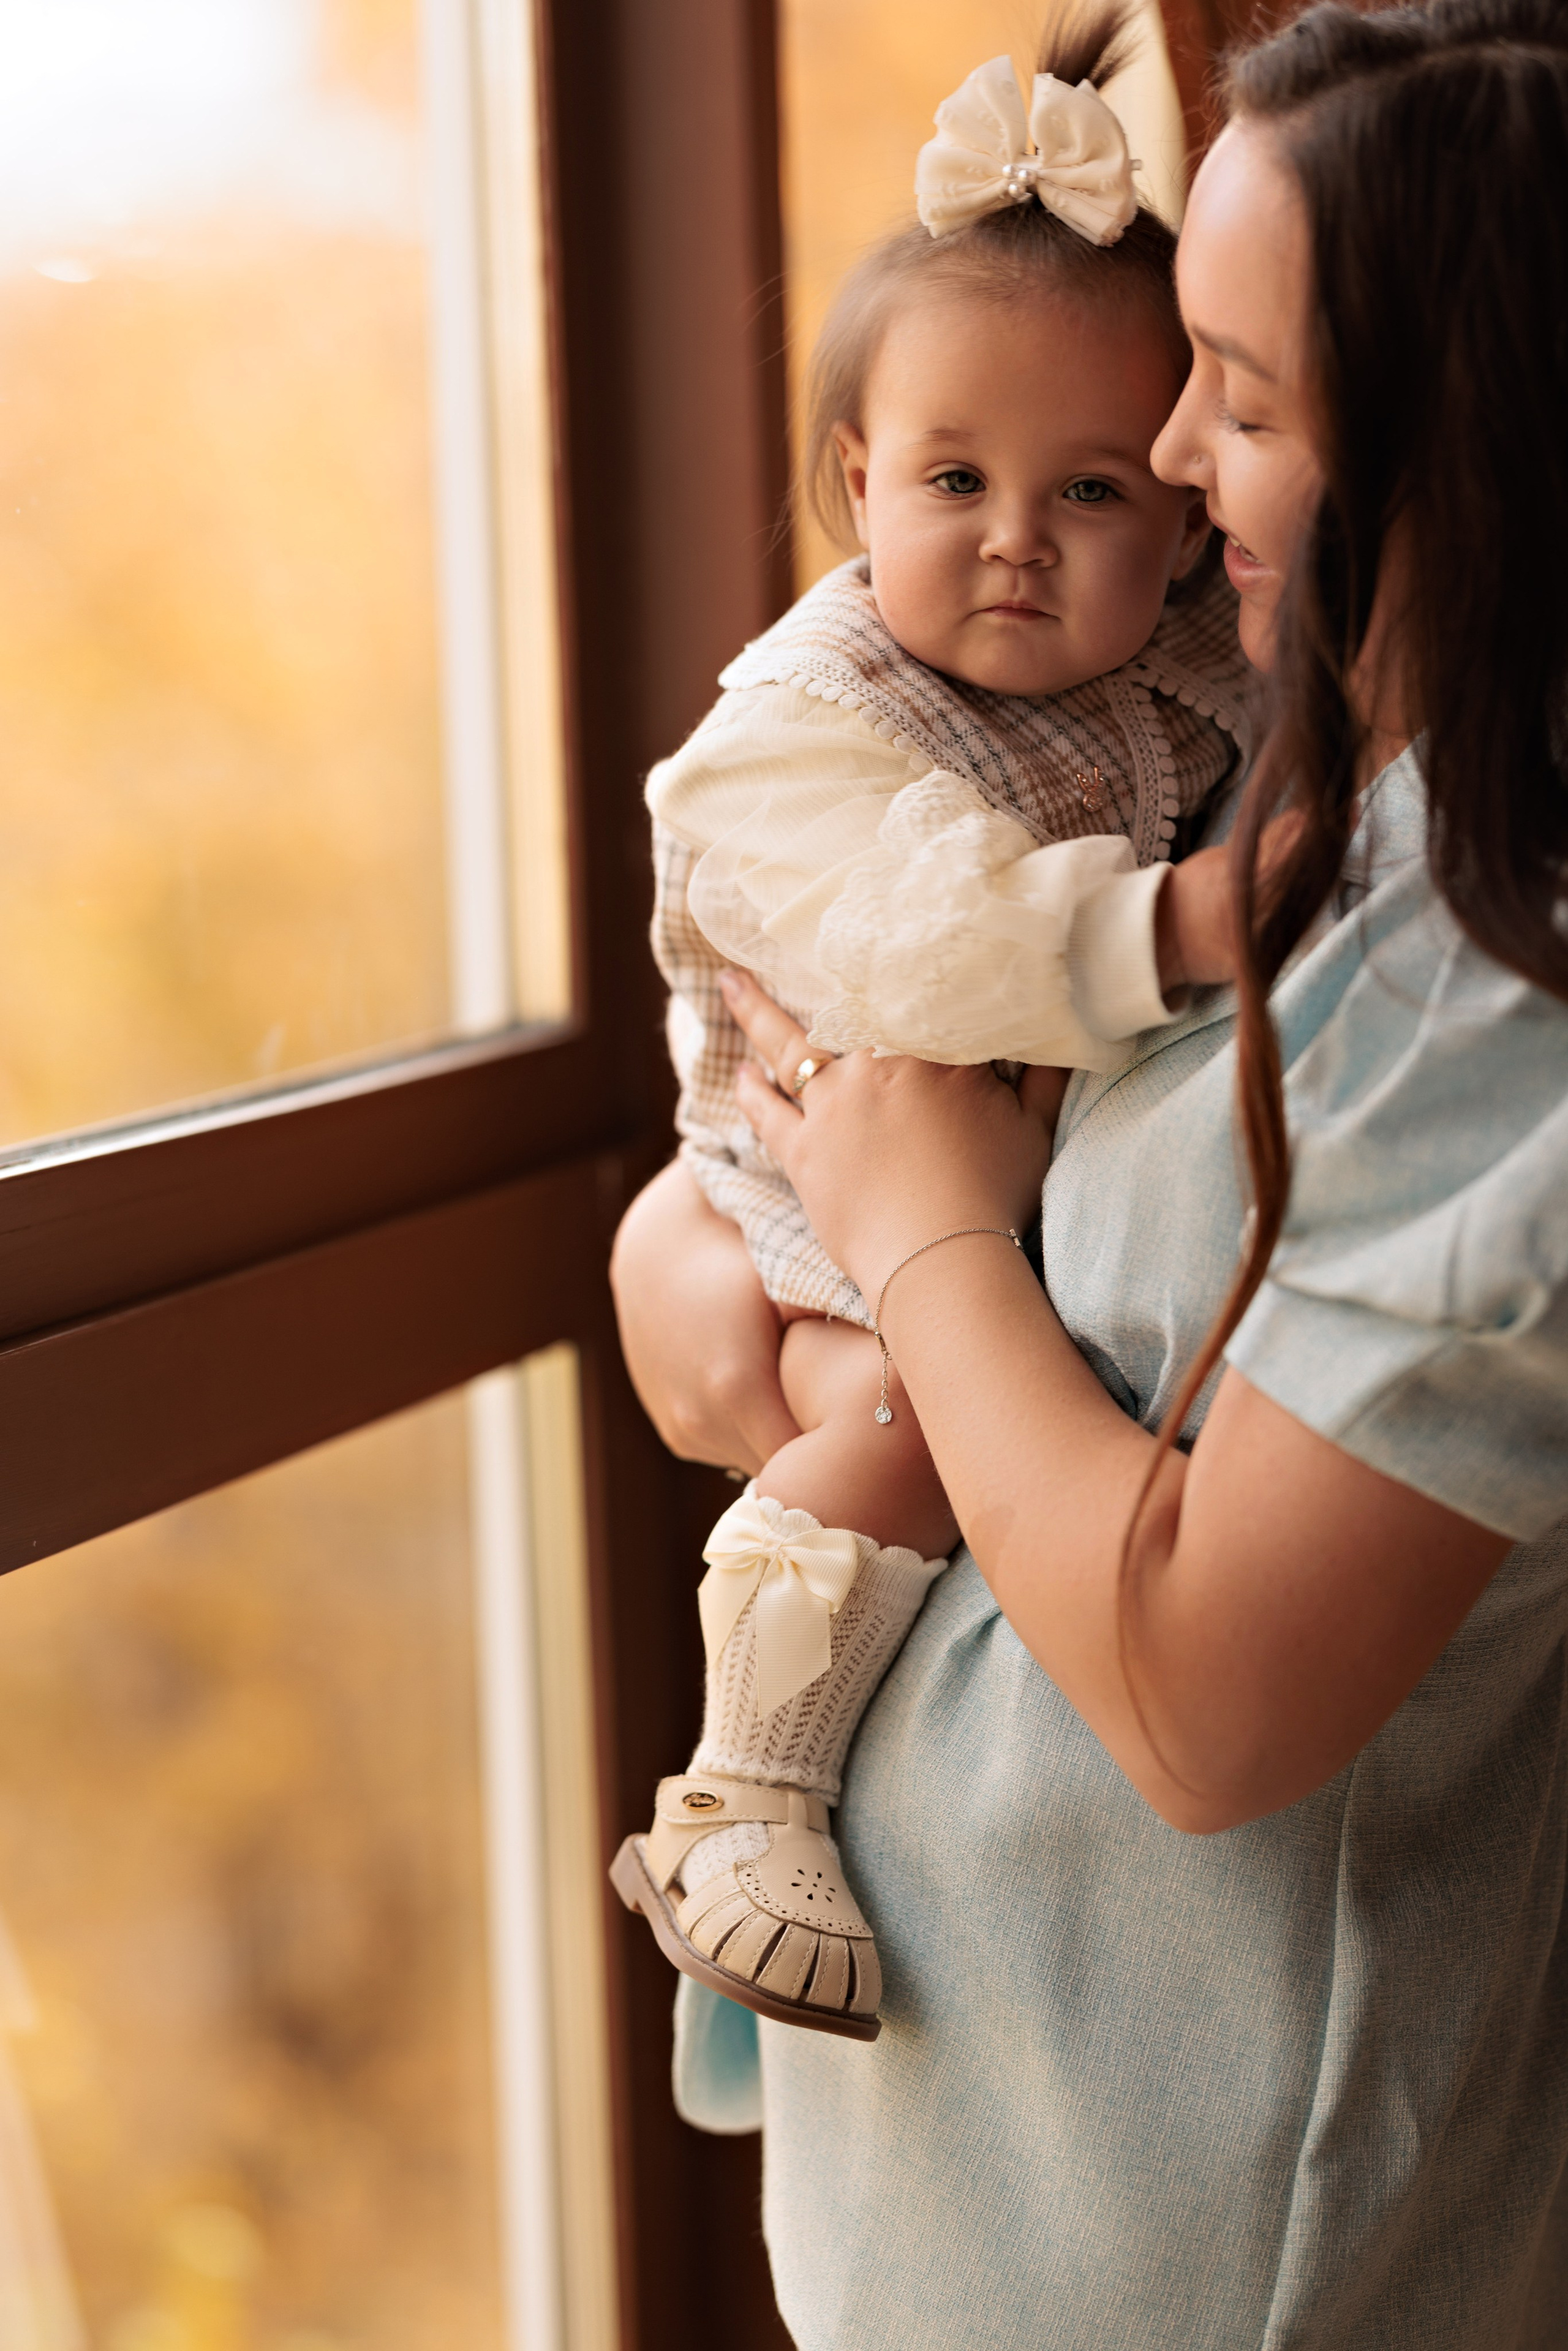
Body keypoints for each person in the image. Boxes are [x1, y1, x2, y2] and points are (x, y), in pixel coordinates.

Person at [610, 0, 1568, 2339]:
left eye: (1231, 395)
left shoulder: (1498, 958)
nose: (1157, 449)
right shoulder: (1301, 770)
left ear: (1474, 427)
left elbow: (1210, 1691)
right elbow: (1028, 1240)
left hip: (1212, 2245)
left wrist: (910, 1235)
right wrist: (729, 1262)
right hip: (992, 2171)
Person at [610, 13, 1257, 2039]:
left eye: (1089, 491)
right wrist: (1195, 915)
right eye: (954, 479)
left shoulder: (1180, 658)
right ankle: (742, 1792)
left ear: (1183, 514)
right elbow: (930, 943)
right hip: (815, 1172)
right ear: (851, 481)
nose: (1016, 539)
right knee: (893, 1428)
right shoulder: (793, 738)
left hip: (977, 1169)